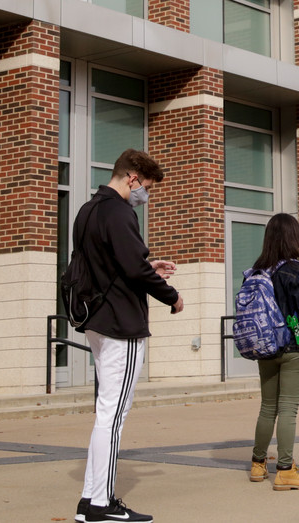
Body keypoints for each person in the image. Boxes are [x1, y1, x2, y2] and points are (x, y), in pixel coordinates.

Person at [75, 149, 183, 523]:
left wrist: (148, 265)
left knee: (106, 411)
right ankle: (101, 506)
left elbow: (114, 264)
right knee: (113, 414)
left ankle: (90, 498)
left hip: (97, 321)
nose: (145, 195)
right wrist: (173, 296)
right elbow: (134, 272)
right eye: (146, 187)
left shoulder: (88, 210)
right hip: (121, 324)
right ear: (133, 177)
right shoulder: (121, 212)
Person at [249, 213, 299, 490]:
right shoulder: (295, 270)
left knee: (267, 407)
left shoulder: (259, 270)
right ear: (294, 238)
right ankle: (285, 470)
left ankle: (258, 465)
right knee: (288, 410)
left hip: (265, 347)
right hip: (294, 347)